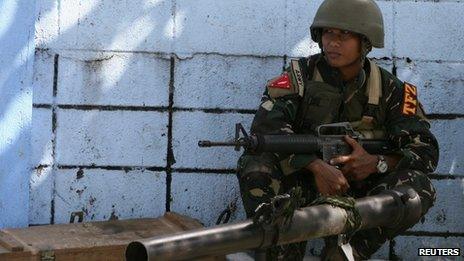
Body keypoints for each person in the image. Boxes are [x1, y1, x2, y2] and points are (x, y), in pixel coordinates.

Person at [236, 0, 439, 259]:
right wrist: (315, 166)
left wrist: (377, 163)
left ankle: (348, 252)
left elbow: (426, 152)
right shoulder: (299, 77)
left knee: (418, 187)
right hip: (301, 184)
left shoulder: (393, 91)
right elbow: (268, 128)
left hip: (361, 193)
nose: (333, 42)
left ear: (366, 42)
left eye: (344, 35)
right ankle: (278, 249)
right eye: (328, 32)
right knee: (256, 162)